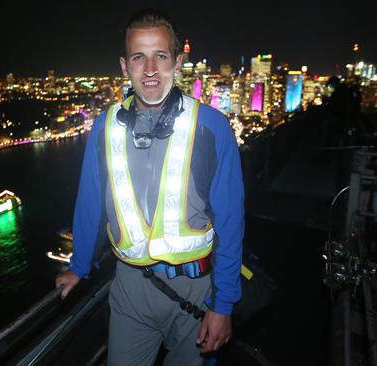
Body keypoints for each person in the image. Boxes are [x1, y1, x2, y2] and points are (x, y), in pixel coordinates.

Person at [55, 8, 244, 365]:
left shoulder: (212, 127)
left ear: (178, 61)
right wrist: (79, 266)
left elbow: (231, 222)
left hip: (196, 289)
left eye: (161, 56)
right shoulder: (104, 127)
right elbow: (90, 203)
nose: (151, 69)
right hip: (129, 287)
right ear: (125, 67)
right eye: (139, 57)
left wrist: (223, 305)